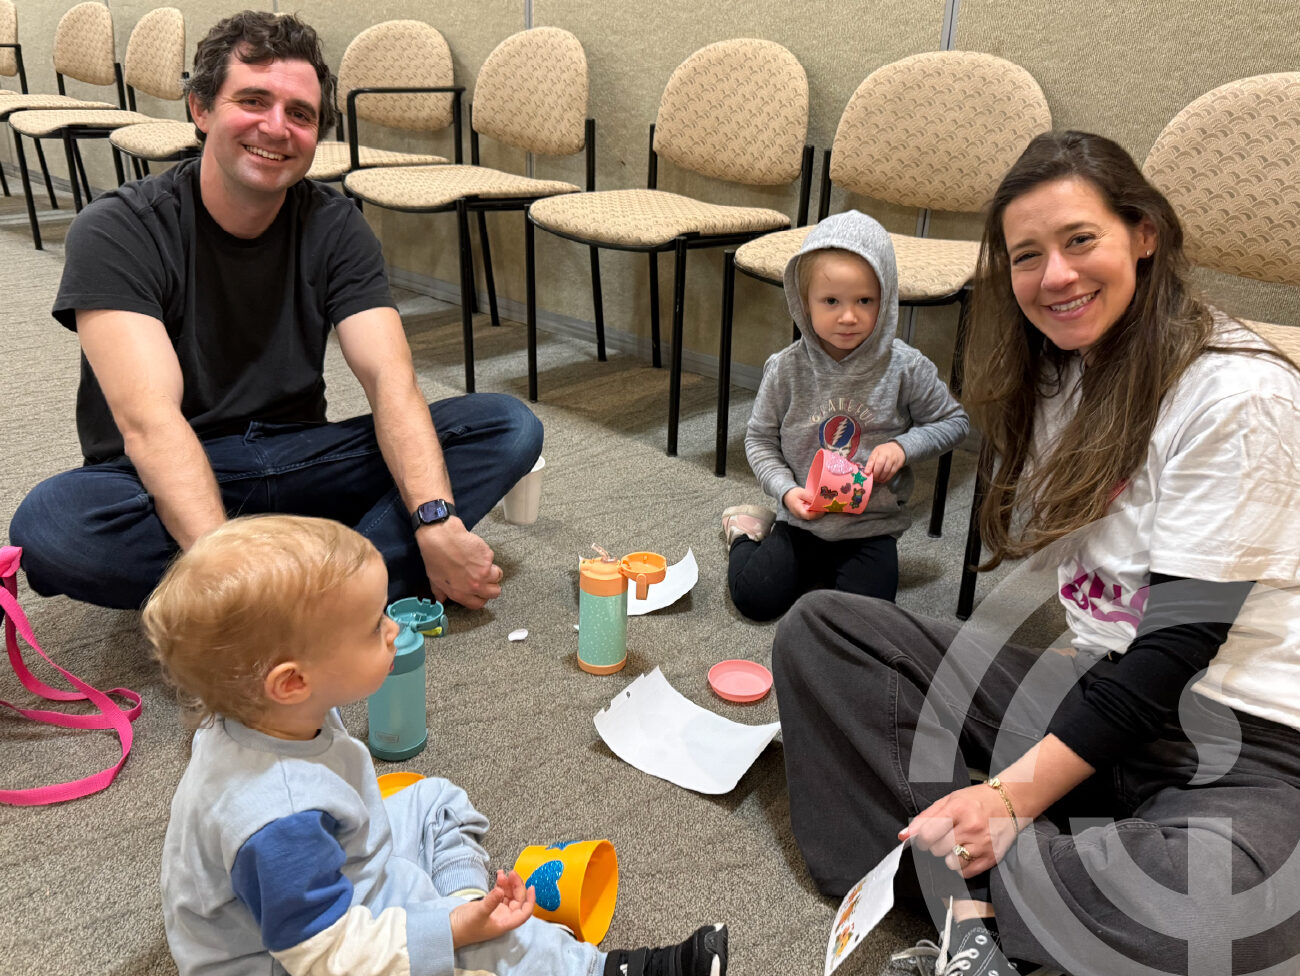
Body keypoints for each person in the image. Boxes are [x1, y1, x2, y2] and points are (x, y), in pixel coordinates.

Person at [771, 132, 1300, 976]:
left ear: (1144, 234)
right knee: (823, 634)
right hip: (1095, 692)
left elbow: (1174, 649)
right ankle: (1023, 888)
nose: (1055, 276)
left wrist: (1012, 793)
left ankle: (965, 881)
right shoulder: (1061, 373)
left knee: (1225, 911)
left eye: (1080, 240)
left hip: (1244, 739)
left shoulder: (1240, 394)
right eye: (1027, 256)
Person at [8, 11, 541, 612]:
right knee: (54, 527)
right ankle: (322, 586)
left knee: (503, 427)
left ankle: (283, 592)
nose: (276, 128)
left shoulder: (336, 226)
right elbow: (150, 425)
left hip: (300, 458)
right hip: (165, 472)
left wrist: (437, 519)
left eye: (301, 114)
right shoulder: (117, 229)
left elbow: (391, 382)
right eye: (253, 100)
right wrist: (228, 565)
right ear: (201, 109)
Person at [144, 514, 729, 976]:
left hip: (339, 876)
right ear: (292, 681)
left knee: (435, 798)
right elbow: (330, 959)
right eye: (375, 625)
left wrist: (458, 909)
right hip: (304, 957)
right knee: (499, 945)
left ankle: (465, 897)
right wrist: (451, 933)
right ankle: (600, 968)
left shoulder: (267, 713)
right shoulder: (278, 822)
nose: (394, 628)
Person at [722, 211, 968, 621]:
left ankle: (825, 572)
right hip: (801, 520)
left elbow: (954, 422)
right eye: (831, 301)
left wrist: (902, 447)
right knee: (755, 599)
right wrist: (784, 490)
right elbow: (759, 440)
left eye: (865, 301)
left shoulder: (906, 367)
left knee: (865, 622)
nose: (849, 316)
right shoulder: (786, 368)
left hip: (870, 528)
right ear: (804, 303)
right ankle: (744, 531)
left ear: (885, 300)